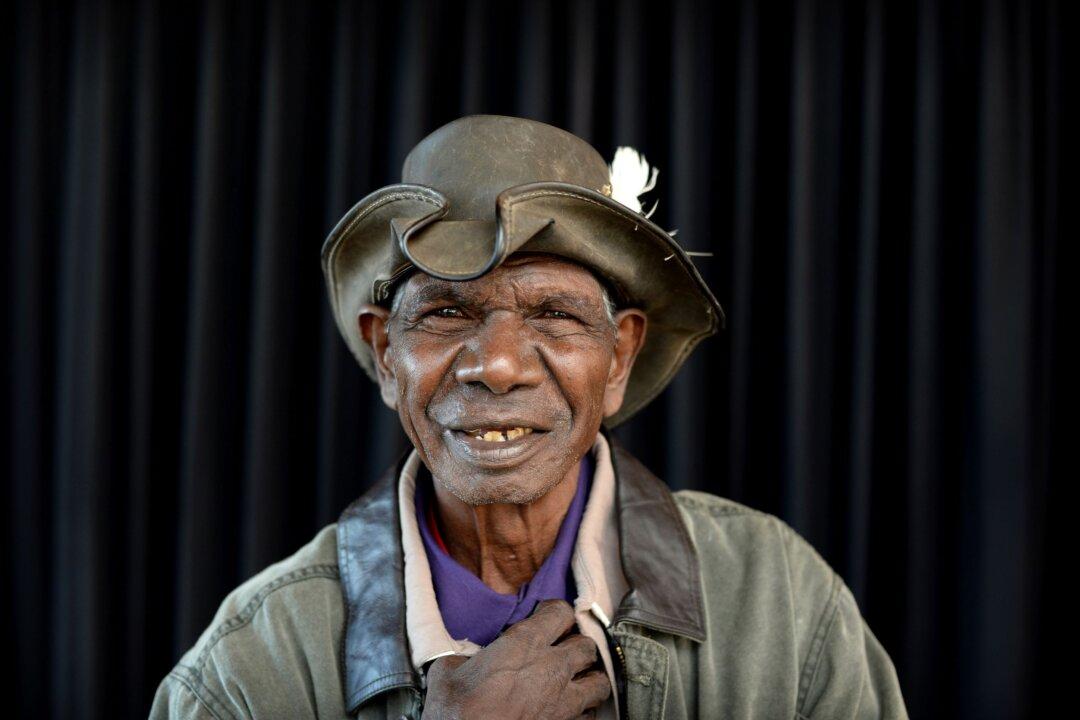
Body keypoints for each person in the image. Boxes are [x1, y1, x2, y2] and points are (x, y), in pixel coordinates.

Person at [150, 114, 908, 719]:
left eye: (554, 314)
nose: (498, 365)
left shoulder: (782, 604)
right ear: (386, 354)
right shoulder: (248, 672)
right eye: (446, 312)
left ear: (619, 357)